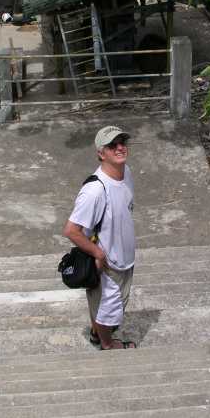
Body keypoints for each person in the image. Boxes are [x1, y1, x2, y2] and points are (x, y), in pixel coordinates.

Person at [62, 125, 137, 350]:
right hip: (108, 262)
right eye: (112, 145)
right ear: (101, 153)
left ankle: (98, 332)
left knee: (112, 304)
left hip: (124, 256)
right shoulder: (94, 191)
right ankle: (107, 344)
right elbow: (71, 230)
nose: (120, 147)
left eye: (122, 142)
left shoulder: (126, 172)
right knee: (108, 309)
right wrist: (98, 253)